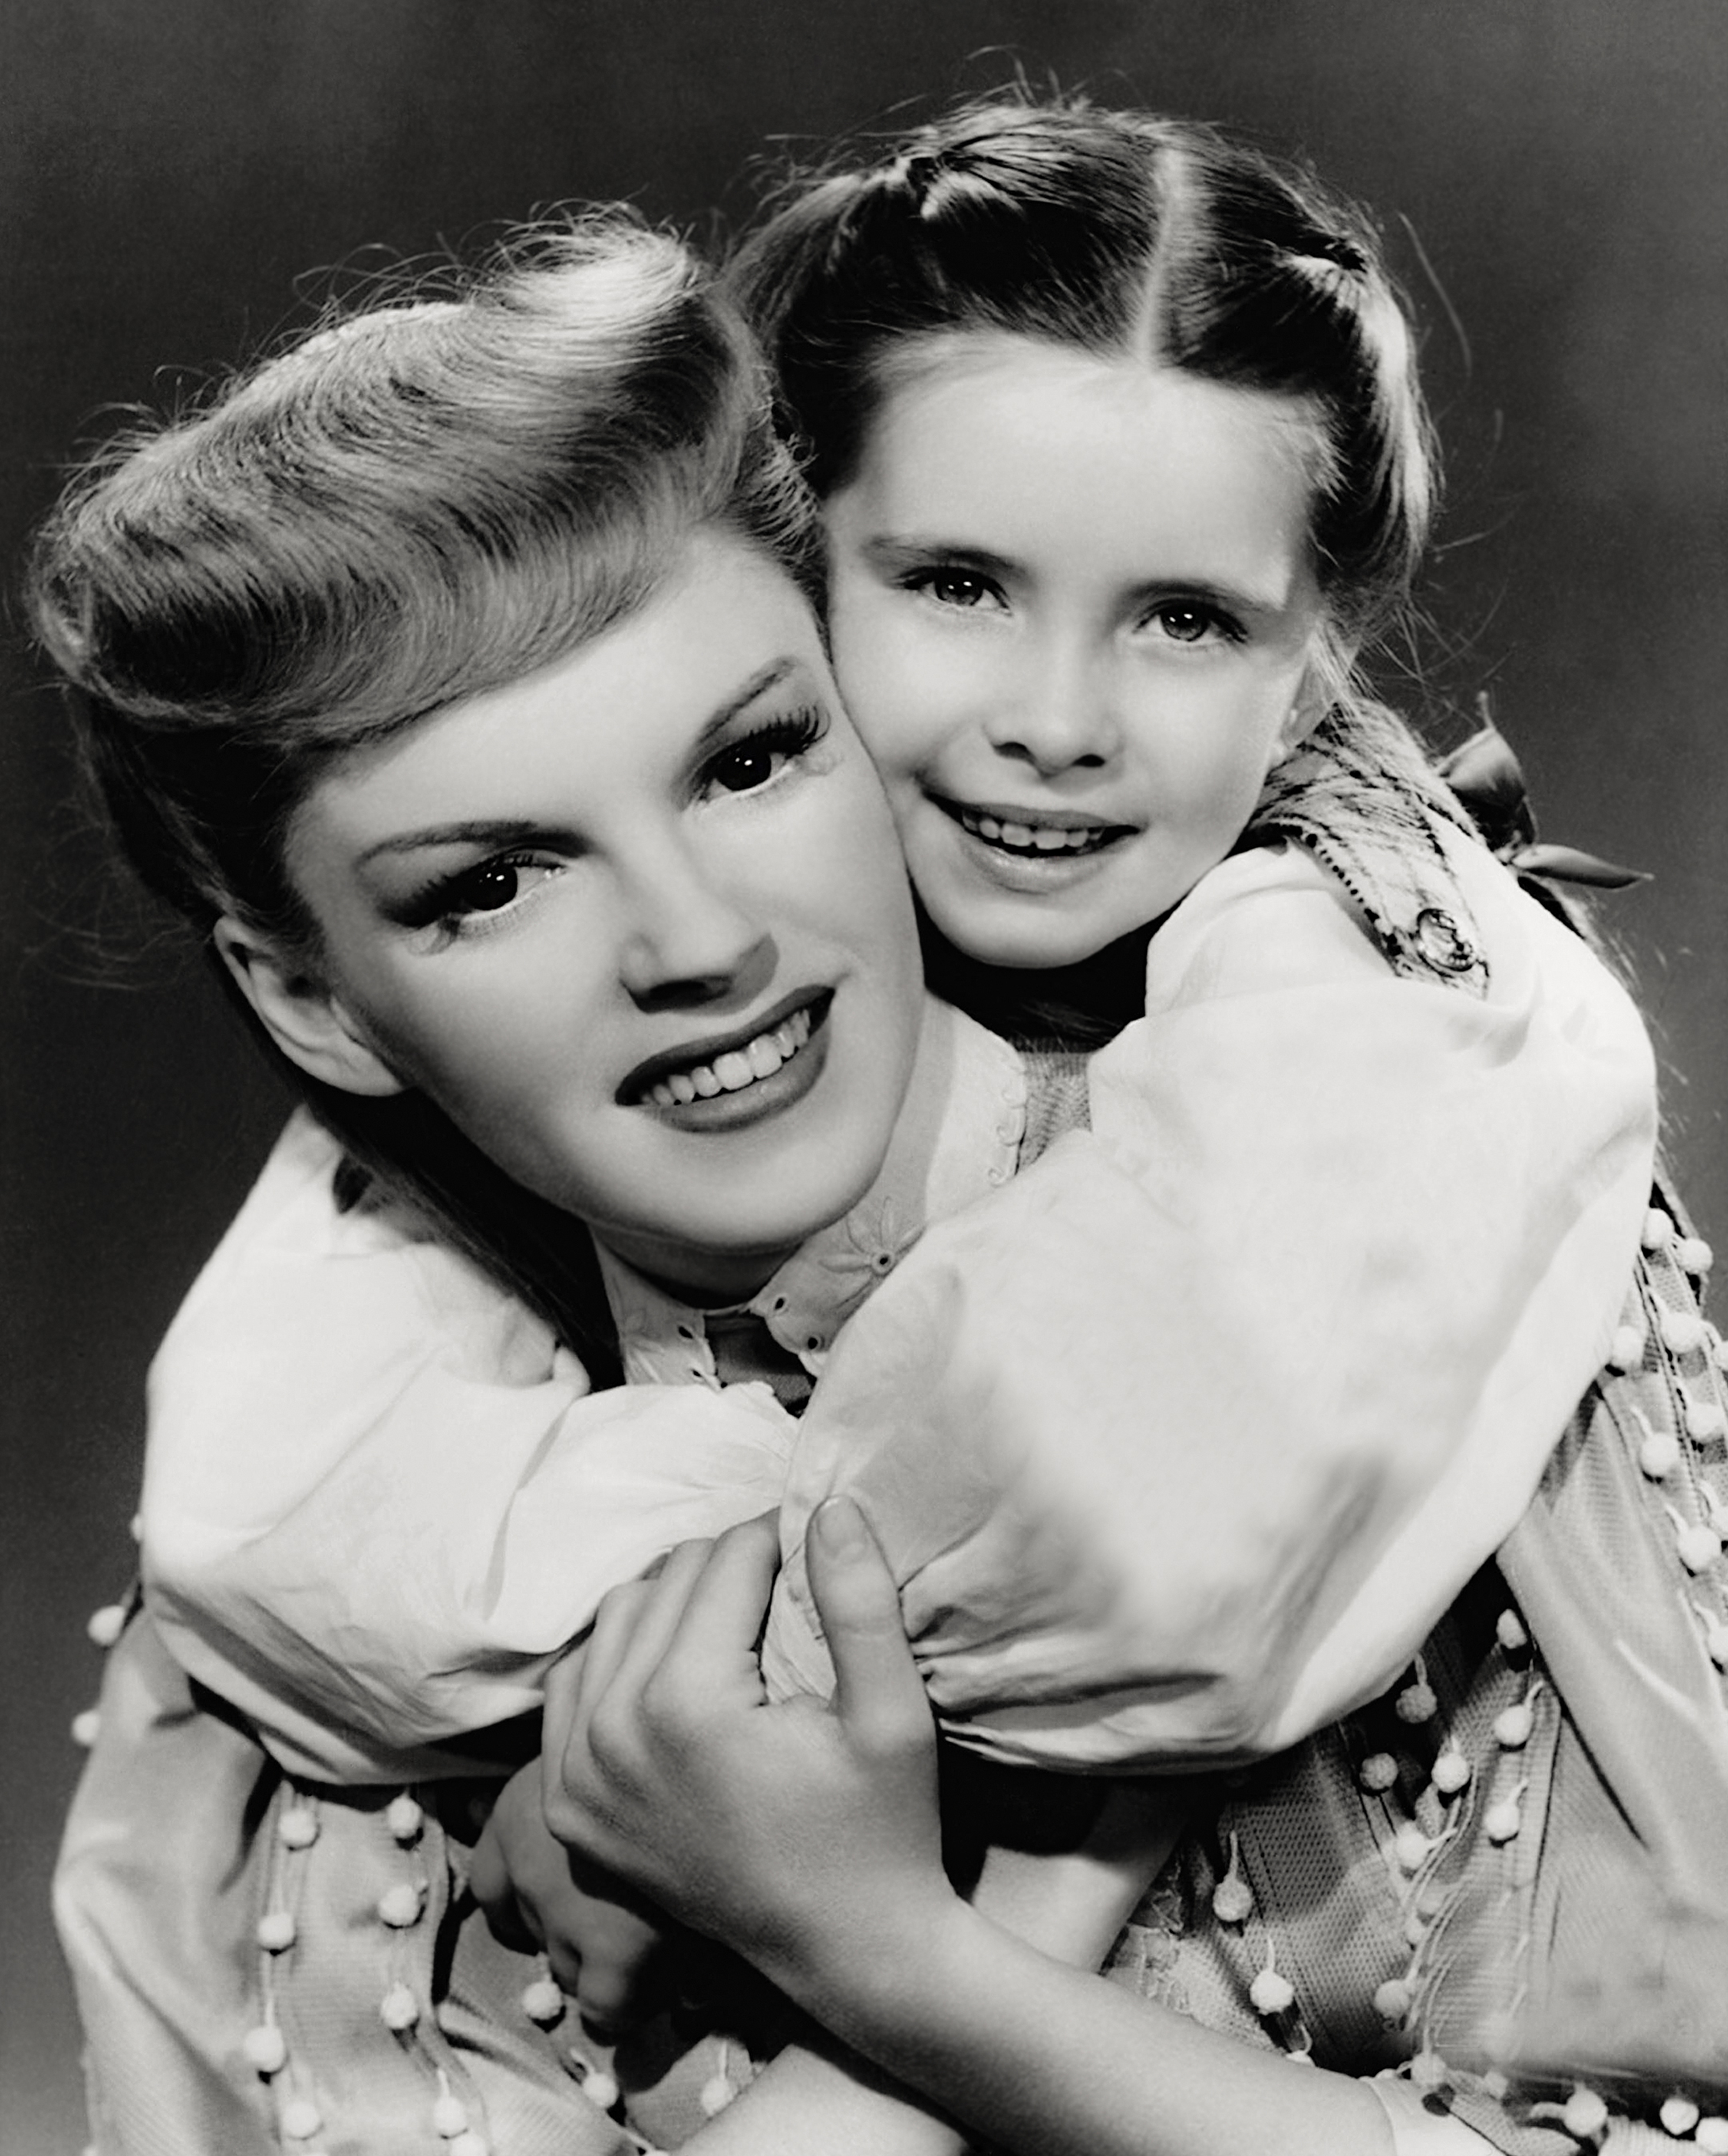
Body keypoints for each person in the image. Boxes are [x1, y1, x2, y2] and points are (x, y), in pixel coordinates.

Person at [31, 100, 1685, 2155]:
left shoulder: (1411, 1245)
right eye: (486, 885)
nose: (698, 942)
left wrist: (882, 1960)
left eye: (745, 761)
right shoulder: (332, 1546)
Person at [530, 95, 1728, 2155]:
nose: (1056, 719)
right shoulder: (660, 1033)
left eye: (1182, 619)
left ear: (1315, 656)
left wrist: (878, 1967)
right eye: (956, 584)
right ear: (778, 564)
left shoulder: (1402, 1089)